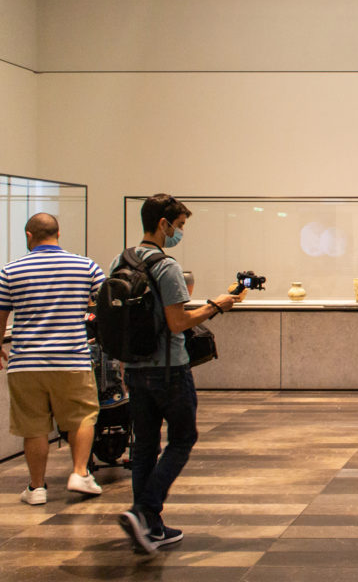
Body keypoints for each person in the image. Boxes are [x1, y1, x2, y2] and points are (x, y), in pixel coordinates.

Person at [115, 194, 242, 554]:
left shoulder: (119, 260)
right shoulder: (165, 266)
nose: (179, 233)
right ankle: (143, 511)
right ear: (163, 224)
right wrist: (217, 304)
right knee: (183, 440)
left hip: (134, 370)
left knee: (143, 448)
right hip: (169, 370)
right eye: (180, 226)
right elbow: (177, 322)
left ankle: (150, 528)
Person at [0, 213, 106, 505]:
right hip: (71, 358)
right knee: (82, 416)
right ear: (58, 234)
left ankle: (36, 488)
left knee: (33, 427)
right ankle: (80, 473)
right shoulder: (86, 266)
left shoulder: (10, 270)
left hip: (25, 362)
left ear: (28, 236)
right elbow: (108, 304)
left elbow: (1, 315)